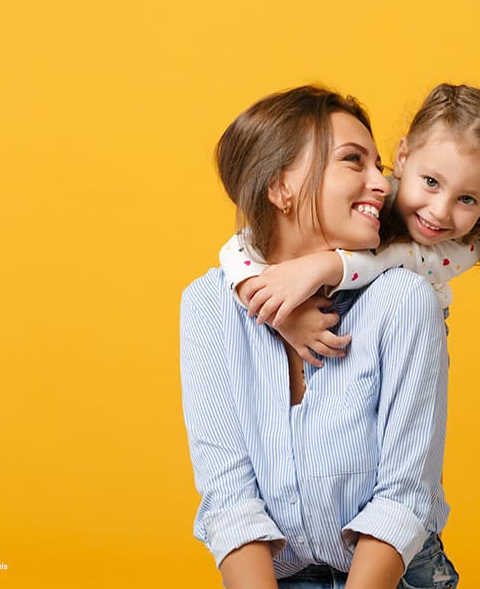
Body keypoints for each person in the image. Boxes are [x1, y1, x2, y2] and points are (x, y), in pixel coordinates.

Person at [180, 86, 458, 589]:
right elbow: (228, 499)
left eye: (379, 165)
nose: (383, 184)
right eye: (354, 161)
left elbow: (405, 495)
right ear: (279, 187)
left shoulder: (404, 299)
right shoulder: (209, 304)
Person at [218, 84, 480, 365]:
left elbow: (405, 259)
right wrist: (278, 315)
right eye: (432, 182)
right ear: (403, 157)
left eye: (468, 200)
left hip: (401, 339)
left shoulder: (468, 243)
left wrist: (326, 265)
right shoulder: (378, 196)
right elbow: (238, 247)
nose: (440, 212)